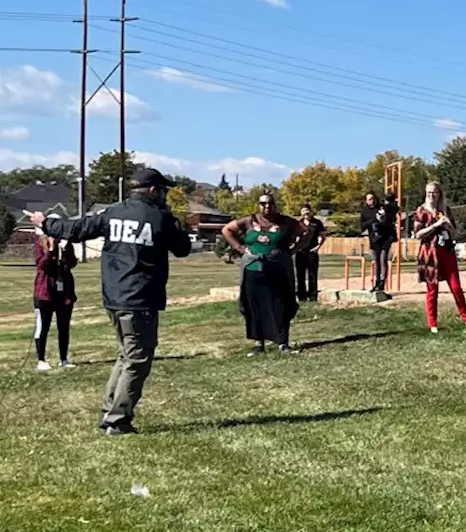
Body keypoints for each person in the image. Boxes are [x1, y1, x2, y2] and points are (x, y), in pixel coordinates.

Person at [29, 167, 192, 435]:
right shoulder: (161, 217)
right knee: (138, 358)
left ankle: (110, 410)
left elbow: (76, 229)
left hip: (114, 298)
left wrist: (46, 223)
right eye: (163, 190)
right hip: (140, 298)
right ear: (153, 191)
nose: (165, 195)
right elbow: (183, 249)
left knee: (126, 354)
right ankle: (118, 419)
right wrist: (173, 222)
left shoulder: (112, 212)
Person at [222, 192, 304, 356]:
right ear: (258, 205)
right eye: (263, 203)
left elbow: (305, 232)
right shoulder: (248, 221)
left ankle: (283, 343)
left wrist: (293, 250)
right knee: (255, 306)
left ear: (275, 204)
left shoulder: (285, 222)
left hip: (278, 270)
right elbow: (227, 230)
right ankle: (259, 344)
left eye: (270, 203)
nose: (267, 207)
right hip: (253, 269)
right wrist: (240, 248)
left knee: (280, 305)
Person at [412, 181, 466, 333]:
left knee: (456, 287)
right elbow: (417, 234)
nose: (431, 195)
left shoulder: (445, 210)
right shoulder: (421, 211)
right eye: (429, 193)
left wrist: (447, 225)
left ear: (439, 194)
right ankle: (433, 323)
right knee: (432, 290)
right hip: (430, 255)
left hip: (447, 252)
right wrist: (434, 226)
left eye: (434, 192)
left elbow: (454, 231)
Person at [33, 225, 77, 371]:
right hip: (44, 293)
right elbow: (41, 264)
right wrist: (50, 251)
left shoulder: (65, 243)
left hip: (63, 293)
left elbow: (72, 263)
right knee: (43, 327)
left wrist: (66, 250)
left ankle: (63, 359)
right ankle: (41, 360)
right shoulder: (40, 244)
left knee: (63, 327)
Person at [360, 191, 398, 292]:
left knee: (383, 259)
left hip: (385, 236)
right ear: (366, 201)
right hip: (373, 238)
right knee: (376, 260)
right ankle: (376, 282)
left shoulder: (382, 207)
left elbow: (394, 211)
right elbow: (362, 226)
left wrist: (386, 215)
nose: (372, 201)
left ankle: (382, 283)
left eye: (373, 199)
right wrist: (373, 220)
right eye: (369, 199)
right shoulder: (365, 211)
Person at [295, 203, 327, 302]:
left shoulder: (317, 223)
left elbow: (323, 236)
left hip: (312, 252)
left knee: (312, 275)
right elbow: (293, 237)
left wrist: (318, 247)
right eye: (304, 212)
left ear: (311, 212)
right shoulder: (298, 223)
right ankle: (302, 297)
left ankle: (313, 297)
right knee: (300, 275)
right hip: (300, 252)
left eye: (307, 212)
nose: (306, 214)